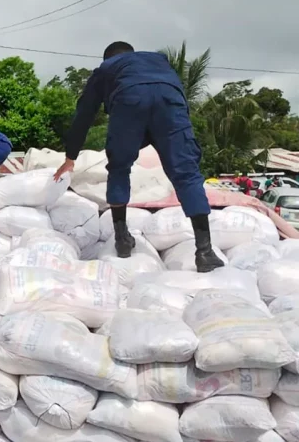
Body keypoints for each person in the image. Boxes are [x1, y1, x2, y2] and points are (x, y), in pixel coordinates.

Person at [53, 41, 225, 273]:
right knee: (187, 174)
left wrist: (70, 156)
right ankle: (205, 252)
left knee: (119, 168)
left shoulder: (107, 68)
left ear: (108, 58)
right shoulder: (159, 62)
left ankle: (122, 239)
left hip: (128, 101)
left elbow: (84, 113)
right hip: (170, 103)